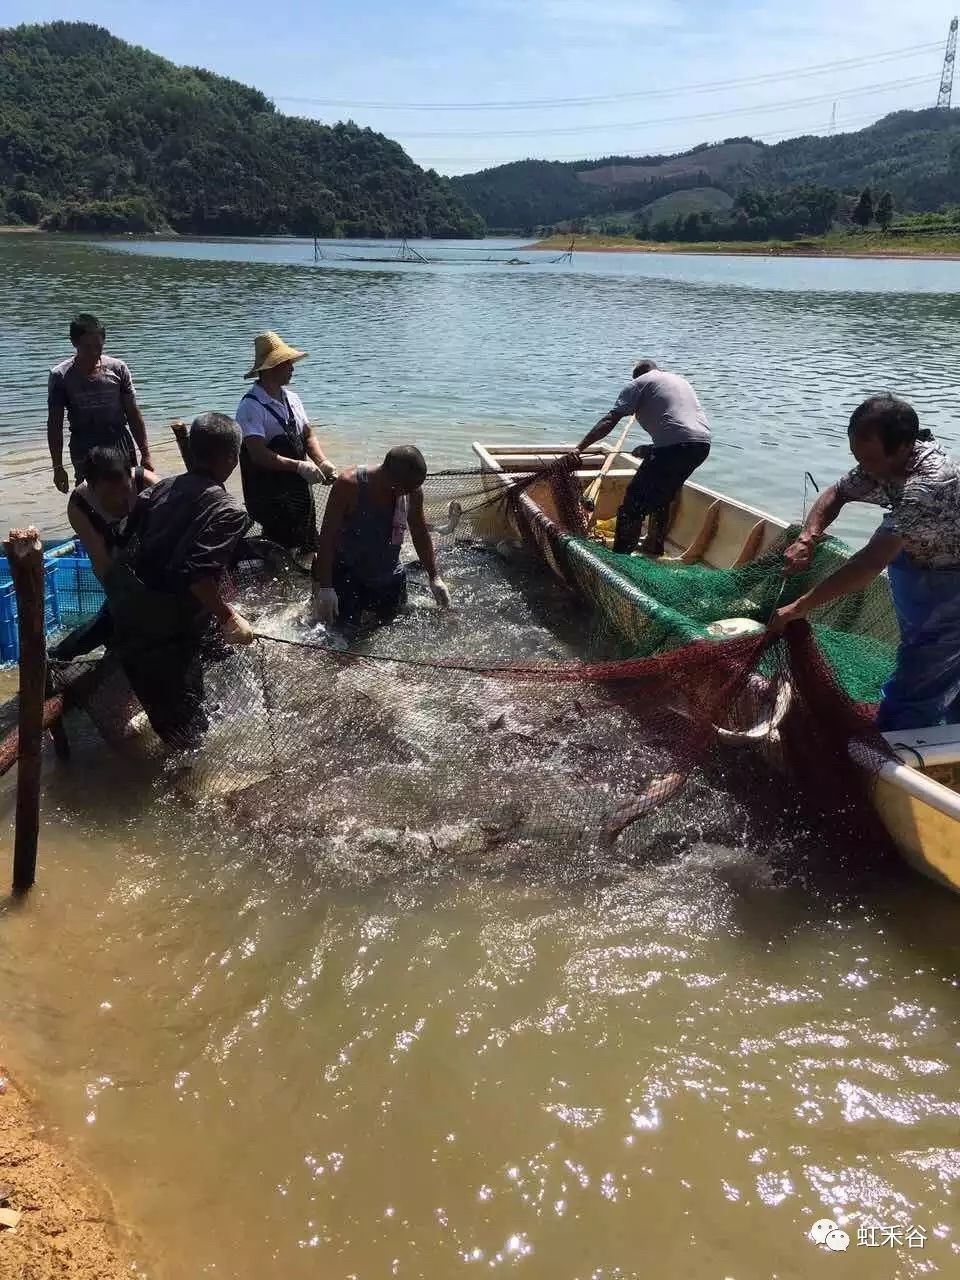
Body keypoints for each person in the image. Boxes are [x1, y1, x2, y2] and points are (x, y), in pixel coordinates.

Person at [770, 394, 960, 731]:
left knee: (921, 674)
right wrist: (807, 537)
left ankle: (899, 752)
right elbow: (838, 492)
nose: (864, 468)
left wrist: (800, 606)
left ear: (903, 445)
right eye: (858, 457)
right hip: (916, 568)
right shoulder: (882, 463)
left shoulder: (931, 482)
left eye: (869, 459)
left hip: (951, 582)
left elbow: (870, 563)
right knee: (930, 656)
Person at [105, 413, 254, 748]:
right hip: (168, 638)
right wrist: (229, 616)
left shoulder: (155, 492)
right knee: (191, 743)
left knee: (172, 719)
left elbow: (124, 552)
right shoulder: (229, 511)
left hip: (129, 625)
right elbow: (198, 577)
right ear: (231, 459)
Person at [577, 359, 711, 556]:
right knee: (662, 497)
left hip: (674, 447)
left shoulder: (637, 384)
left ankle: (621, 559)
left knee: (632, 505)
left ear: (637, 375)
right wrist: (650, 450)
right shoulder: (678, 381)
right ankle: (653, 546)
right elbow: (681, 428)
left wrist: (580, 447)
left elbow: (609, 420)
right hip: (701, 446)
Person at [310, 446, 451, 629]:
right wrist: (326, 588)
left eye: (413, 489)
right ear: (389, 477)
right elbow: (327, 537)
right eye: (405, 489)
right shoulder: (349, 485)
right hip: (346, 574)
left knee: (393, 626)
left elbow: (419, 532)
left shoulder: (412, 491)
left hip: (387, 572)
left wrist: (434, 577)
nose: (409, 494)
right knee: (340, 635)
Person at [50, 447, 160, 662]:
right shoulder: (79, 506)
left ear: (130, 476)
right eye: (108, 495)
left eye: (124, 490)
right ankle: (58, 657)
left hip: (154, 558)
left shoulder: (149, 484)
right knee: (116, 614)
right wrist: (124, 600)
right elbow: (103, 566)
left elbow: (176, 531)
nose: (119, 501)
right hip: (117, 566)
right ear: (91, 487)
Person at [235, 331, 336, 557]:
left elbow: (308, 435)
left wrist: (322, 461)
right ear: (271, 368)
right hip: (269, 495)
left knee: (309, 546)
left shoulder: (293, 398)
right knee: (282, 551)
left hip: (299, 492)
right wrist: (299, 466)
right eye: (287, 363)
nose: (292, 368)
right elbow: (258, 453)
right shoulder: (251, 406)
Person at [48, 313, 153, 491]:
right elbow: (55, 424)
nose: (94, 352)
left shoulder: (118, 369)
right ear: (74, 343)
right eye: (87, 347)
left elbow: (133, 414)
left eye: (98, 346)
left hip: (119, 440)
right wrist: (58, 468)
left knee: (132, 492)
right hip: (84, 446)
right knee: (90, 496)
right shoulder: (61, 376)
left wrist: (146, 454)